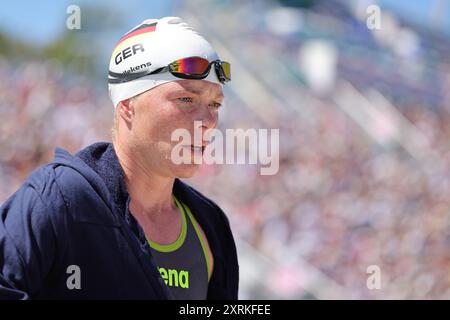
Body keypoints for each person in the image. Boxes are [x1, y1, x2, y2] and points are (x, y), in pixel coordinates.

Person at [0, 16, 238, 300]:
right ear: (127, 106)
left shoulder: (210, 224)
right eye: (186, 99)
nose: (208, 121)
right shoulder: (60, 199)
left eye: (215, 104)